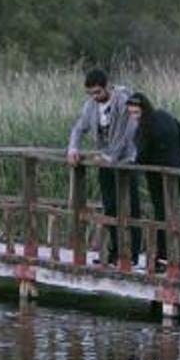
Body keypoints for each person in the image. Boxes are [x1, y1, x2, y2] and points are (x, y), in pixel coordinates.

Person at [68, 68, 140, 267]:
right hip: (104, 160)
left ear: (107, 86)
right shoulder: (90, 106)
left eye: (98, 92)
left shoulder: (124, 100)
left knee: (131, 207)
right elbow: (79, 128)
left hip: (126, 160)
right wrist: (73, 148)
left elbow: (127, 134)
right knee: (110, 206)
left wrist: (111, 156)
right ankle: (114, 252)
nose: (95, 97)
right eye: (91, 93)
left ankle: (132, 256)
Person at [127, 92, 180, 274]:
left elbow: (142, 155)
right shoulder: (166, 116)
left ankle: (163, 258)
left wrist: (137, 165)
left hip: (159, 174)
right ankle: (169, 257)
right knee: (171, 212)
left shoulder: (145, 126)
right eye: (131, 114)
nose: (134, 118)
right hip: (178, 170)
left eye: (135, 113)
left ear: (142, 110)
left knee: (161, 214)